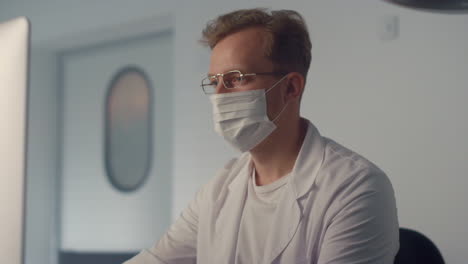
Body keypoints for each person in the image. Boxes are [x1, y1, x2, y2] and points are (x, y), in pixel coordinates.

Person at [125, 8, 399, 264]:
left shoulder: (356, 188)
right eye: (213, 82)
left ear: (290, 88)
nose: (218, 96)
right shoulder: (218, 191)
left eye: (235, 79)